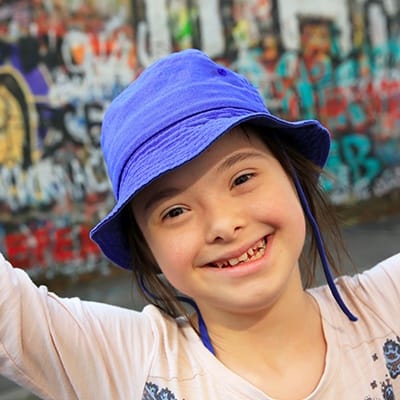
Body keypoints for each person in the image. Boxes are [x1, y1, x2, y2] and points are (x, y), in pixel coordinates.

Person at [1, 49, 399, 400]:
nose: (223, 225)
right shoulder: (131, 366)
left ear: (293, 177)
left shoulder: (388, 306)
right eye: (174, 212)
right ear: (147, 248)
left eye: (242, 179)